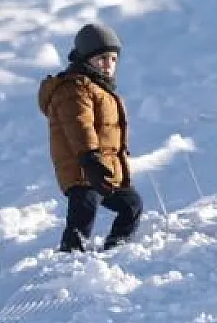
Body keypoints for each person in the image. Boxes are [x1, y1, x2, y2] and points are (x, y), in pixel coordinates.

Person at [39, 23, 143, 253]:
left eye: (113, 59)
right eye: (102, 59)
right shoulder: (74, 88)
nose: (108, 65)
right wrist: (89, 158)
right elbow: (78, 125)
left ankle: (117, 250)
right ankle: (70, 256)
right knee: (83, 214)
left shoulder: (101, 89)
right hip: (82, 168)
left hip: (103, 169)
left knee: (131, 205)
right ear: (86, 58)